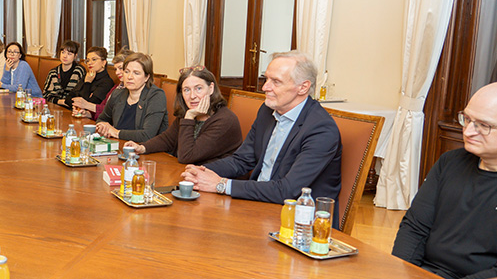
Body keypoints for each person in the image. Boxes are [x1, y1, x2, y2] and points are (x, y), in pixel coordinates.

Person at [182, 51, 341, 203]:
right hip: (258, 200)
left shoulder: (321, 130)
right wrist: (200, 171)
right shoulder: (267, 111)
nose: (265, 87)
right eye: (266, 79)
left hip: (297, 219)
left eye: (276, 82)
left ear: (303, 87)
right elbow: (241, 161)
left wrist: (220, 184)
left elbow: (287, 190)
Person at [393, 82, 497, 279]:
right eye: (467, 119)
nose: (468, 131)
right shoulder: (450, 162)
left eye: (483, 126)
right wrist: (401, 278)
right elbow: (415, 228)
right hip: (422, 278)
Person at [123, 67, 242, 164]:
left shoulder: (225, 120)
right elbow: (168, 139)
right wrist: (142, 148)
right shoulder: (187, 112)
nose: (192, 96)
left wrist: (189, 117)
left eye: (198, 88)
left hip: (216, 182)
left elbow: (187, 156)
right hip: (189, 175)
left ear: (211, 88)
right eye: (186, 90)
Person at [95, 52, 169, 142]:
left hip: (149, 152)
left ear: (147, 77)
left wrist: (116, 132)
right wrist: (102, 126)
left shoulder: (156, 96)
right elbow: (102, 119)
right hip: (121, 147)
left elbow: (147, 135)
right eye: (126, 71)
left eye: (136, 73)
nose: (129, 77)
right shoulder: (118, 93)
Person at [73, 48, 131, 120]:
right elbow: (103, 107)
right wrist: (88, 114)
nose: (117, 73)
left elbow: (114, 112)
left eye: (120, 68)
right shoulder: (117, 87)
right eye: (115, 69)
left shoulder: (109, 83)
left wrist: (86, 105)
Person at [67, 46, 114, 115]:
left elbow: (88, 105)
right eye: (88, 60)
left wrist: (87, 83)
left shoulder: (107, 82)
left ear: (103, 63)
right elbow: (68, 98)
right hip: (77, 113)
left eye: (94, 59)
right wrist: (76, 105)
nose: (89, 63)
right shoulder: (87, 76)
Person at [43, 40, 86, 107]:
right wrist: (60, 101)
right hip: (56, 106)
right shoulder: (53, 72)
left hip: (73, 108)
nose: (65, 56)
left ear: (75, 56)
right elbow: (46, 94)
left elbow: (82, 94)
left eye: (69, 54)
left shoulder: (79, 71)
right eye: (63, 52)